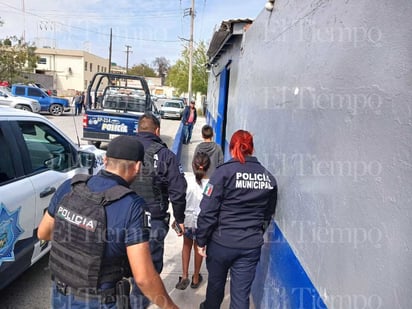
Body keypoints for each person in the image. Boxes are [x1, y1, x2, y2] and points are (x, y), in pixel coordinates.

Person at [37, 135, 179, 309]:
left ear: (105, 160)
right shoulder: (133, 206)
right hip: (100, 301)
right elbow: (143, 278)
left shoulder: (70, 186)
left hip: (60, 295)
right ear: (138, 166)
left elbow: (43, 233)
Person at [196, 130, 278, 309]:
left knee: (215, 288)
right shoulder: (269, 178)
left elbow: (208, 211)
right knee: (241, 297)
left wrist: (201, 239)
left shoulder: (223, 173)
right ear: (252, 149)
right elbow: (267, 215)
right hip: (249, 246)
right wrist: (255, 233)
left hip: (221, 244)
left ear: (232, 148)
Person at [130, 113, 187, 308]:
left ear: (138, 129)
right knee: (147, 272)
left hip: (121, 218)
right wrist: (180, 218)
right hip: (152, 221)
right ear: (157, 131)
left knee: (125, 267)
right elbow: (178, 191)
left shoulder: (124, 150)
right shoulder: (165, 155)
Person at [175, 152, 211, 291]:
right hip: (201, 223)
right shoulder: (211, 185)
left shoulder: (185, 181)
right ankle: (196, 278)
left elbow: (179, 200)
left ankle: (184, 276)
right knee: (198, 248)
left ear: (193, 165)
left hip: (187, 220)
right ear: (208, 167)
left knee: (186, 246)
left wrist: (178, 219)